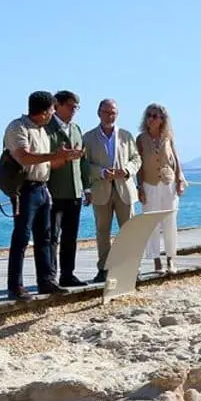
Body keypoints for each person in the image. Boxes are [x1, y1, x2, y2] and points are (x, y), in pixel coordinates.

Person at [4, 90, 82, 300]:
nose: (53, 114)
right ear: (44, 112)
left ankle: (46, 281)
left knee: (45, 237)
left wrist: (65, 158)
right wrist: (55, 155)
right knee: (21, 237)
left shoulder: (41, 131)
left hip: (42, 187)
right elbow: (24, 157)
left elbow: (47, 163)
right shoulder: (18, 127)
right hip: (24, 189)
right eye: (51, 110)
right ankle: (15, 286)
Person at [81, 97, 139, 282]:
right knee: (102, 231)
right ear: (98, 113)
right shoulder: (88, 137)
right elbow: (83, 164)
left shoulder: (126, 135)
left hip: (124, 189)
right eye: (106, 112)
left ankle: (130, 268)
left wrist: (127, 170)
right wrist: (101, 172)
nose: (109, 116)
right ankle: (104, 269)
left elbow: (136, 158)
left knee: (128, 231)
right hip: (100, 190)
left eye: (113, 112)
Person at [136, 103, 186, 273]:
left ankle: (171, 259)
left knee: (170, 222)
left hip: (168, 184)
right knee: (151, 223)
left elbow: (176, 160)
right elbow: (139, 166)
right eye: (148, 115)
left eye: (155, 116)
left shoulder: (168, 137)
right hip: (149, 185)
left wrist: (180, 180)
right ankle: (156, 261)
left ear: (162, 119)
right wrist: (140, 188)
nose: (151, 119)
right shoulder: (141, 139)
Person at [44, 90, 87, 286]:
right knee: (51, 237)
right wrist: (61, 158)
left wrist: (87, 188)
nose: (74, 111)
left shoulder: (76, 129)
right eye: (70, 107)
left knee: (70, 237)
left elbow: (83, 162)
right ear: (58, 106)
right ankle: (50, 277)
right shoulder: (46, 129)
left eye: (76, 107)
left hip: (74, 192)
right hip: (54, 192)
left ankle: (68, 275)